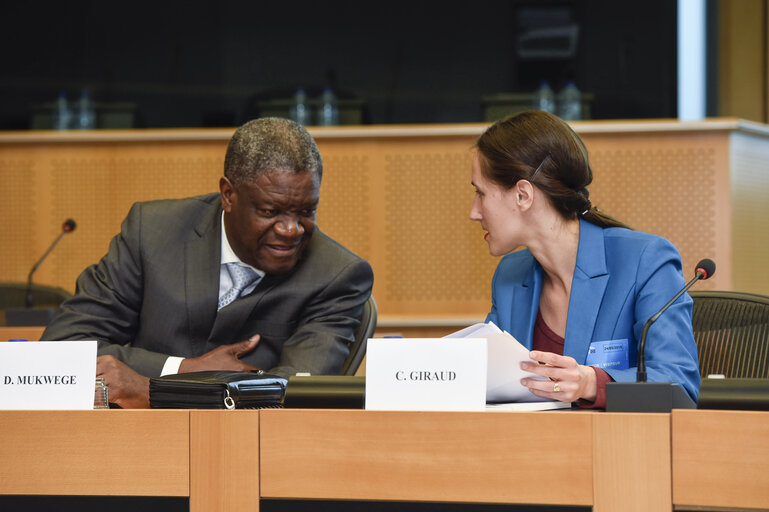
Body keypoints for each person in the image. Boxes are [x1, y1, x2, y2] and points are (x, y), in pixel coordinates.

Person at [42, 117, 374, 408]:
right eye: (271, 212)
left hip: (252, 452)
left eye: (306, 211)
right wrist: (180, 368)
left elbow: (297, 394)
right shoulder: (152, 234)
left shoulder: (337, 275)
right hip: (132, 446)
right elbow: (62, 347)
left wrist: (152, 389)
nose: (291, 230)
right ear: (228, 195)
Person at [469, 110, 699, 407]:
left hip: (621, 447)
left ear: (523, 195)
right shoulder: (509, 275)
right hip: (530, 447)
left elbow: (679, 385)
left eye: (481, 194)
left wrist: (591, 382)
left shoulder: (645, 260)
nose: (474, 212)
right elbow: (488, 381)